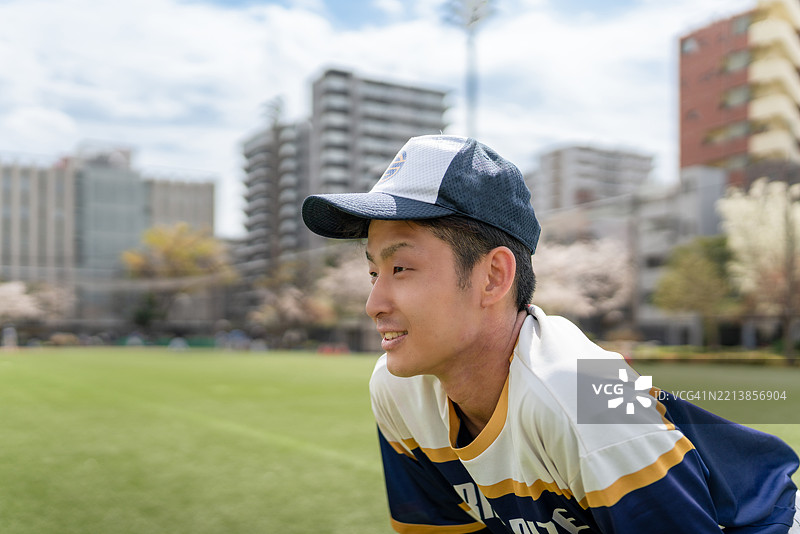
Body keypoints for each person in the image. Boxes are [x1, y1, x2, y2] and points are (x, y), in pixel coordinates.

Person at [301, 134, 800, 533]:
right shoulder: (397, 389)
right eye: (373, 272)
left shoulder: (583, 393)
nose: (374, 304)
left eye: (401, 268)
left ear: (494, 276)